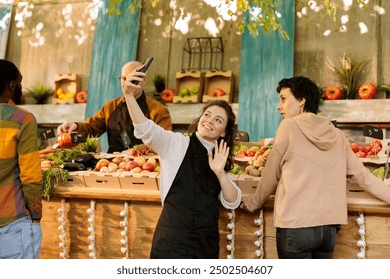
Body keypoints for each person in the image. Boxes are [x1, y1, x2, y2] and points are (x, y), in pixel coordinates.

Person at [241, 76, 390, 259]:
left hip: (296, 227)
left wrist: (254, 202)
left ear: (301, 100)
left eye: (284, 99)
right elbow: (363, 176)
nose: (279, 106)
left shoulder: (288, 126)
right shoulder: (337, 134)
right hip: (329, 231)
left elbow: (271, 173)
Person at [122, 64, 242, 258]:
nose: (210, 121)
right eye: (207, 115)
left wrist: (220, 173)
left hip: (205, 244)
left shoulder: (219, 157)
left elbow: (233, 201)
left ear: (225, 132)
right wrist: (128, 96)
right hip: (171, 240)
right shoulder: (175, 144)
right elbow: (145, 129)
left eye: (218, 120)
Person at [57, 61, 172, 153]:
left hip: (145, 168)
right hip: (112, 165)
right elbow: (91, 129)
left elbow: (164, 142)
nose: (126, 83)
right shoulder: (110, 107)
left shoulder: (158, 110)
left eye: (132, 79)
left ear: (144, 80)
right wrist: (75, 126)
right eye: (124, 78)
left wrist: (135, 151)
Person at [0, 59, 43, 259]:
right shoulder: (22, 119)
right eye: (20, 81)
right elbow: (31, 175)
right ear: (11, 85)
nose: (21, 86)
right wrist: (36, 214)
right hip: (11, 224)